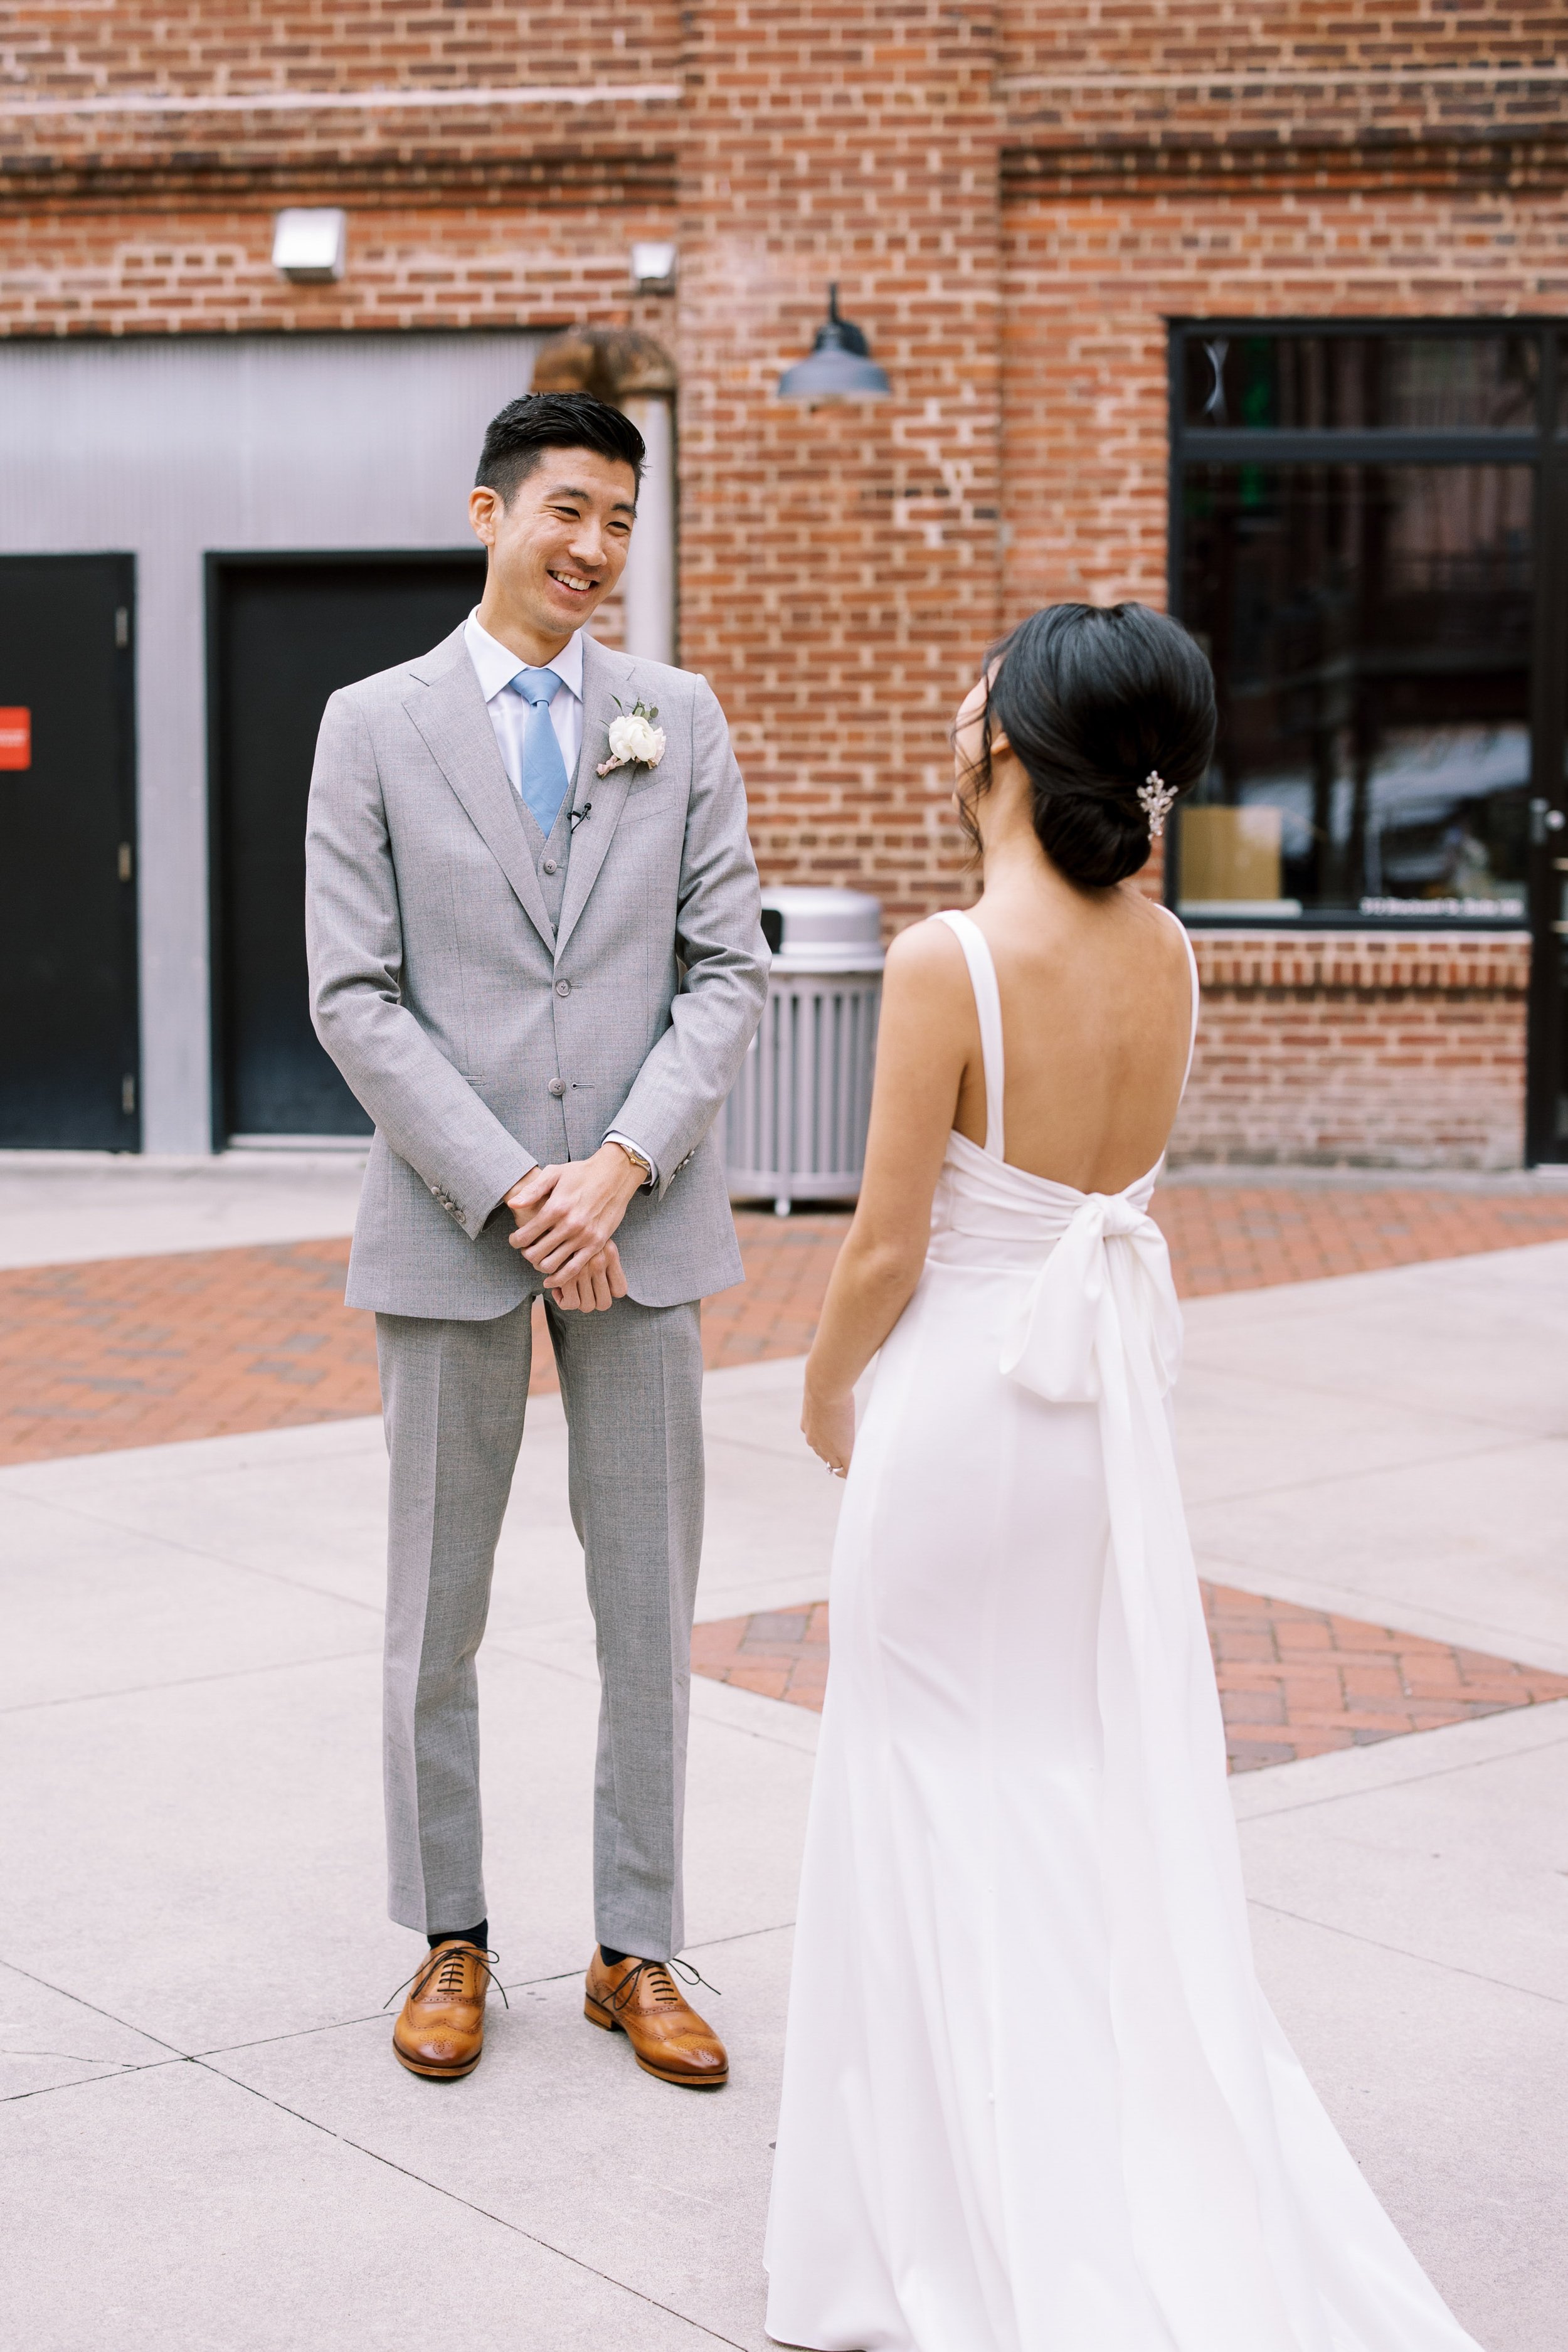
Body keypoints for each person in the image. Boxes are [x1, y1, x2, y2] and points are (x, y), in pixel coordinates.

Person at [765, 603, 1484, 2350]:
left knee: (921, 1778)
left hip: (956, 1405)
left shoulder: (949, 956)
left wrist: (818, 1387)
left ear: (1005, 738)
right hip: (1094, 1425)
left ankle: (940, 2210)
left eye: (976, 684)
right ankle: (1087, 2147)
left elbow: (882, 1245)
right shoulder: (1167, 948)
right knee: (1061, 1780)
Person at [305, 390, 767, 2089]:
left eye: (622, 522)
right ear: (489, 512)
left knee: (648, 1603)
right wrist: (520, 1184)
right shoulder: (369, 723)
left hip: (642, 1227)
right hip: (452, 1222)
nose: (595, 550)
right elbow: (352, 996)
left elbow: (724, 970)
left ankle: (634, 1948)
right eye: (568, 511)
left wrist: (625, 1163)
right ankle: (449, 1937)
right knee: (437, 1607)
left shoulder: (679, 717)